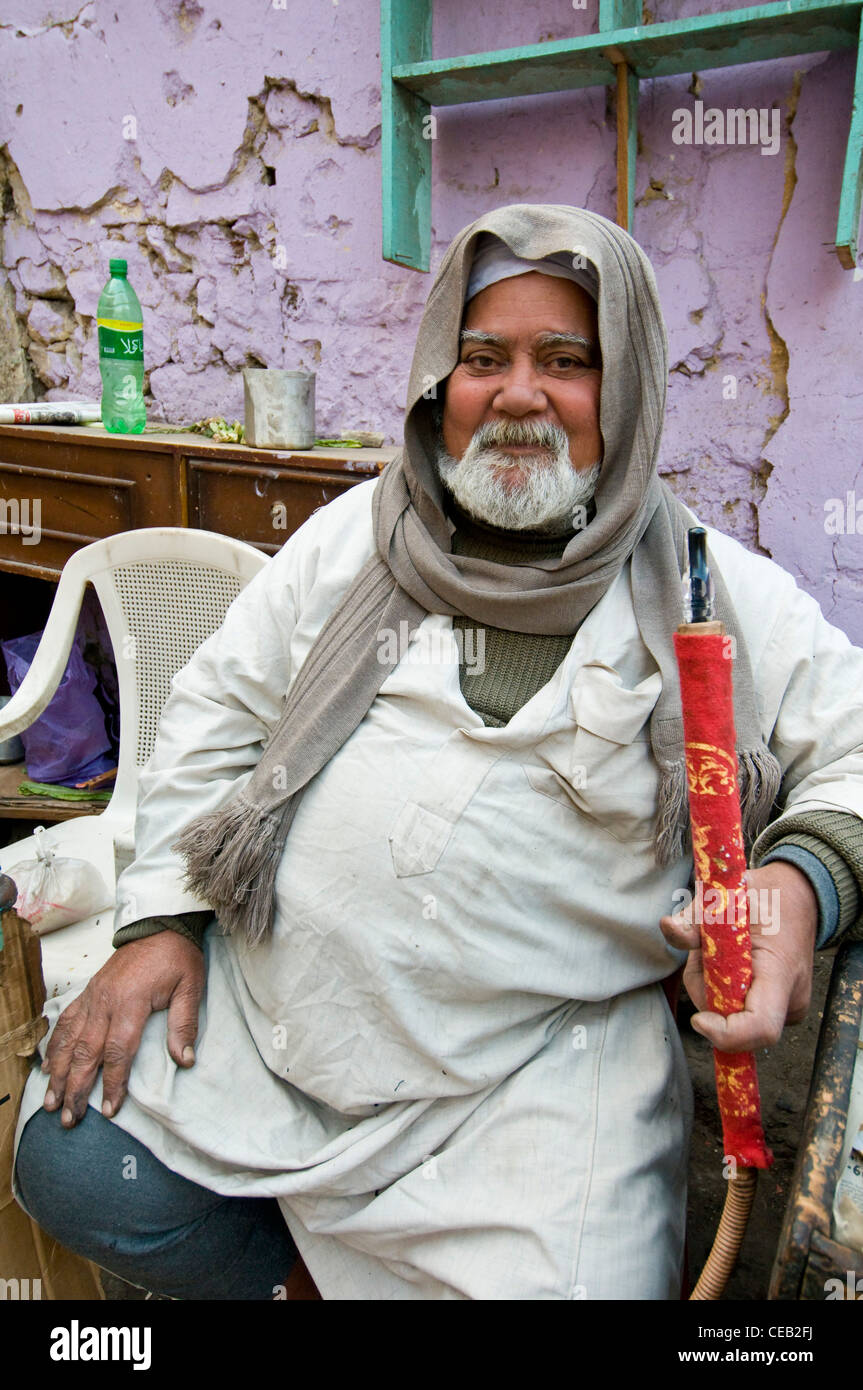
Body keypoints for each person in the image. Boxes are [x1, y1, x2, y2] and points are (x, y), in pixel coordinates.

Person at [12, 204, 863, 1301]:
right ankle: (302, 1280)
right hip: (283, 1032)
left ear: (631, 390)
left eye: (566, 360)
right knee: (76, 1162)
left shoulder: (710, 588)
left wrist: (793, 887)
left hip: (521, 1092)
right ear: (436, 383)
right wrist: (163, 919)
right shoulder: (358, 538)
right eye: (481, 358)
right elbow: (215, 709)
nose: (516, 395)